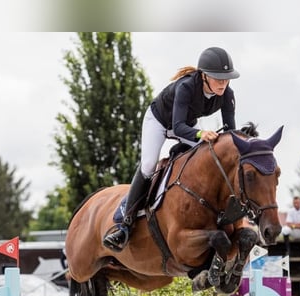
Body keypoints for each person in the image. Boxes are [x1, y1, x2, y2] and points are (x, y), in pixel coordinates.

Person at [102, 47, 239, 252]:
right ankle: (124, 224)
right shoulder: (185, 87)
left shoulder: (227, 95)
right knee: (148, 165)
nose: (222, 83)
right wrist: (201, 135)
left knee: (212, 155)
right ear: (203, 76)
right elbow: (178, 127)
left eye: (226, 78)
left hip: (184, 125)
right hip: (159, 122)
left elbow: (230, 131)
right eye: (217, 78)